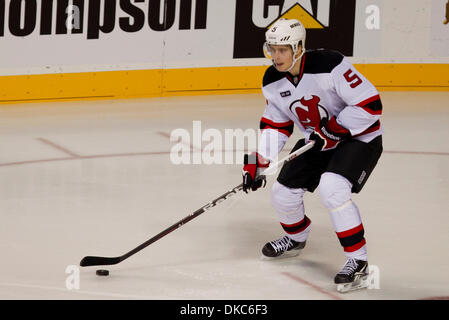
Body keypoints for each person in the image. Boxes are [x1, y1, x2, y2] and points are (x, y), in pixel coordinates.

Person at [242, 18, 383, 292]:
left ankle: (358, 260)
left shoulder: (330, 64)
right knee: (281, 192)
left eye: (283, 49)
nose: (276, 56)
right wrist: (257, 161)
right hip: (318, 142)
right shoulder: (272, 80)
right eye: (272, 49)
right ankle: (295, 239)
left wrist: (334, 129)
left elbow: (370, 105)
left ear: (299, 47)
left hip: (359, 137)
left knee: (332, 188)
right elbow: (276, 123)